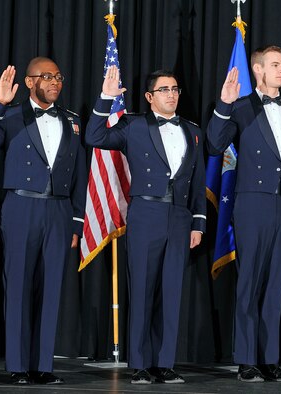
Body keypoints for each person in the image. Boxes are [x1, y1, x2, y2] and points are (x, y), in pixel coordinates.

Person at [86, 66, 206, 384]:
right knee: (141, 289)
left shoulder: (193, 130)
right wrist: (105, 98)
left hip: (180, 217)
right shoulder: (134, 125)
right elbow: (94, 136)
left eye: (175, 89)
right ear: (150, 96)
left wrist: (198, 221)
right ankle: (139, 364)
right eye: (164, 89)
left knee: (171, 293)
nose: (171, 94)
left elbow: (197, 181)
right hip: (146, 214)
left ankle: (164, 363)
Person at [0, 58, 86, 385]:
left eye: (58, 77)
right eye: (47, 77)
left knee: (51, 289)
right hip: (21, 205)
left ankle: (43, 365)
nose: (55, 82)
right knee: (19, 285)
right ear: (29, 81)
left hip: (60, 211)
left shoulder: (72, 121)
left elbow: (80, 173)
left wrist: (76, 221)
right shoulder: (9, 117)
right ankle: (18, 365)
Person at [206, 46, 281, 383]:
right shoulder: (240, 108)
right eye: (275, 65)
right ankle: (247, 360)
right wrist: (223, 105)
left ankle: (271, 359)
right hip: (251, 204)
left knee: (277, 284)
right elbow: (213, 144)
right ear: (258, 69)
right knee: (250, 283)